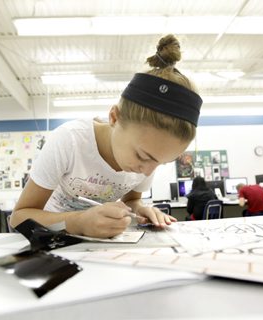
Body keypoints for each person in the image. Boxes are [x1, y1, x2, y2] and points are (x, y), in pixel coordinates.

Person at [10, 34, 202, 238]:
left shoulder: (148, 157)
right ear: (114, 117)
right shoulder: (69, 140)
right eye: (143, 157)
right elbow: (19, 218)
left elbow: (131, 200)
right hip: (49, 238)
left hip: (96, 243)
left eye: (161, 163)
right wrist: (78, 222)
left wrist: (139, 209)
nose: (147, 172)